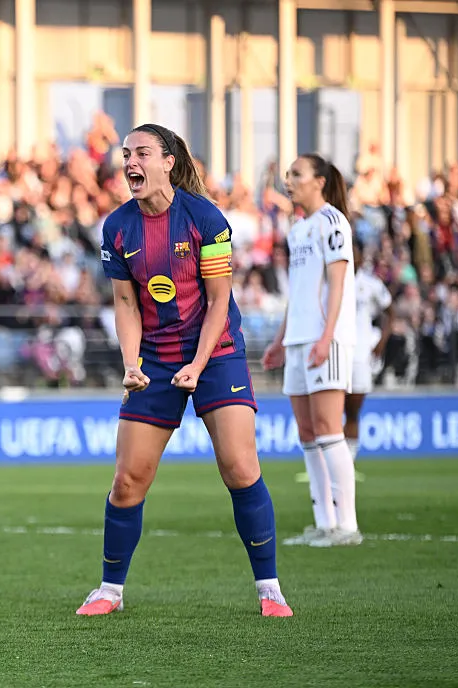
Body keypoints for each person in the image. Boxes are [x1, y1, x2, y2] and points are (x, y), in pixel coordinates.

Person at [78, 123, 293, 619]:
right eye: (126, 153)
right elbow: (126, 305)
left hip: (215, 353)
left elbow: (219, 301)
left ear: (168, 161)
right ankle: (110, 589)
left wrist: (198, 364)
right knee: (128, 480)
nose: (130, 162)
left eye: (142, 153)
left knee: (240, 467)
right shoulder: (116, 228)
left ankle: (270, 588)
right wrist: (131, 364)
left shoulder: (206, 219)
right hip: (153, 359)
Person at [262, 153, 361, 548]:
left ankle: (347, 526)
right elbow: (299, 293)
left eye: (297, 174)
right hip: (297, 339)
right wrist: (279, 340)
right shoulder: (299, 228)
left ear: (319, 181)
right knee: (307, 433)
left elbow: (338, 285)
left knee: (328, 429)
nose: (289, 180)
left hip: (326, 339)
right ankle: (324, 522)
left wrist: (326, 337)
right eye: (288, 174)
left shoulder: (333, 223)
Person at [346, 239, 393, 465]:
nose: (351, 258)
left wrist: (381, 342)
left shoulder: (370, 283)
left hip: (360, 354)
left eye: (355, 253)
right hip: (335, 352)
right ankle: (333, 466)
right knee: (330, 414)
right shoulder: (331, 282)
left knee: (353, 410)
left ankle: (349, 462)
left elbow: (389, 312)